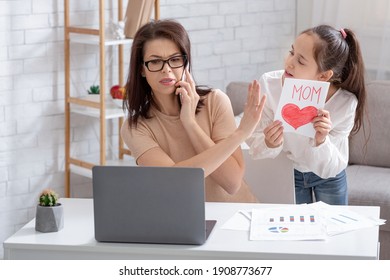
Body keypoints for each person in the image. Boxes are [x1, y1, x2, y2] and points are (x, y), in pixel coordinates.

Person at [121, 19, 266, 202]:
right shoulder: (135, 127)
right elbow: (175, 182)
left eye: (175, 60)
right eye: (155, 62)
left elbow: (232, 183)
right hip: (183, 222)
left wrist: (190, 123)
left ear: (185, 63)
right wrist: (241, 133)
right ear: (142, 69)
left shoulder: (215, 101)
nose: (167, 70)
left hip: (237, 215)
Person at [247, 25, 366, 205]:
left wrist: (321, 141)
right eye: (291, 52)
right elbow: (254, 142)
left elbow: (333, 165)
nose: (289, 62)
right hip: (290, 171)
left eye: (301, 61)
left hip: (329, 177)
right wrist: (269, 143)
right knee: (294, 230)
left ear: (324, 76)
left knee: (334, 230)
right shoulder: (270, 86)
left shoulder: (345, 104)